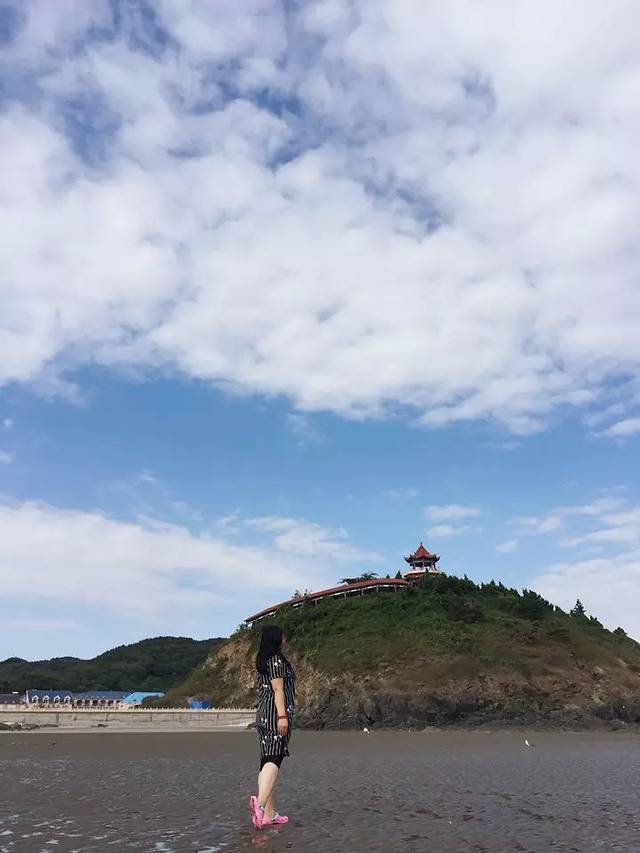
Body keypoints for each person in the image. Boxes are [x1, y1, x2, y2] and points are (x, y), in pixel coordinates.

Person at [249, 624, 296, 830]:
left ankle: (269, 814)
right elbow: (278, 690)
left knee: (266, 761)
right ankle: (260, 805)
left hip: (264, 715)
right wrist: (283, 716)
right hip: (274, 716)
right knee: (274, 760)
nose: (285, 639)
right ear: (276, 638)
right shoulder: (275, 660)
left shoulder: (263, 659)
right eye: (282, 636)